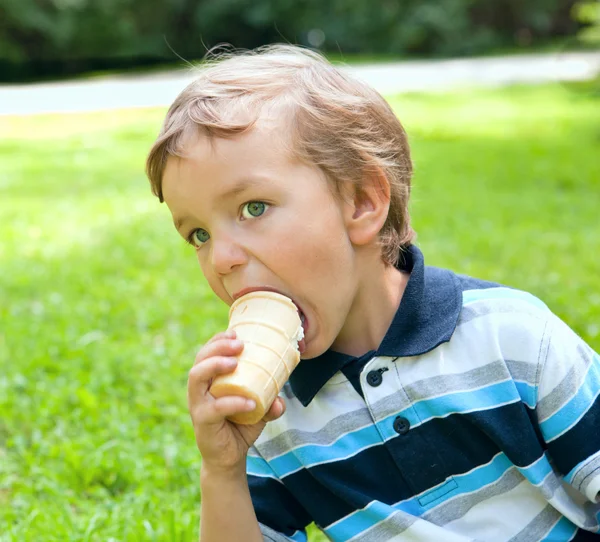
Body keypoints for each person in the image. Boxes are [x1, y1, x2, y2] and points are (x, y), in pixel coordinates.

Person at [145, 44, 600, 541]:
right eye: (199, 235)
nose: (221, 258)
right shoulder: (273, 420)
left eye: (253, 208)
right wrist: (223, 471)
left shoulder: (511, 339)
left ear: (362, 202)